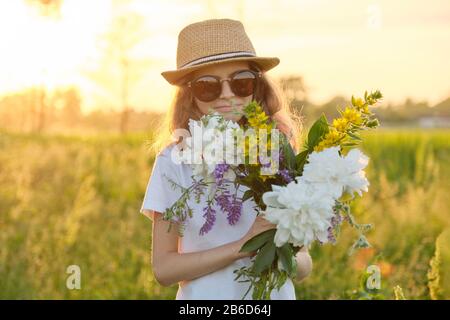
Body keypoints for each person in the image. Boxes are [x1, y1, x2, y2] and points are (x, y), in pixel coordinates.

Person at [140, 18, 312, 300]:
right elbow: (165, 268)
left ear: (257, 87)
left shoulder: (277, 151)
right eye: (208, 86)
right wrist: (244, 246)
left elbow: (304, 263)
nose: (228, 95)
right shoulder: (174, 161)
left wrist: (282, 254)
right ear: (189, 95)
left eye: (241, 82)